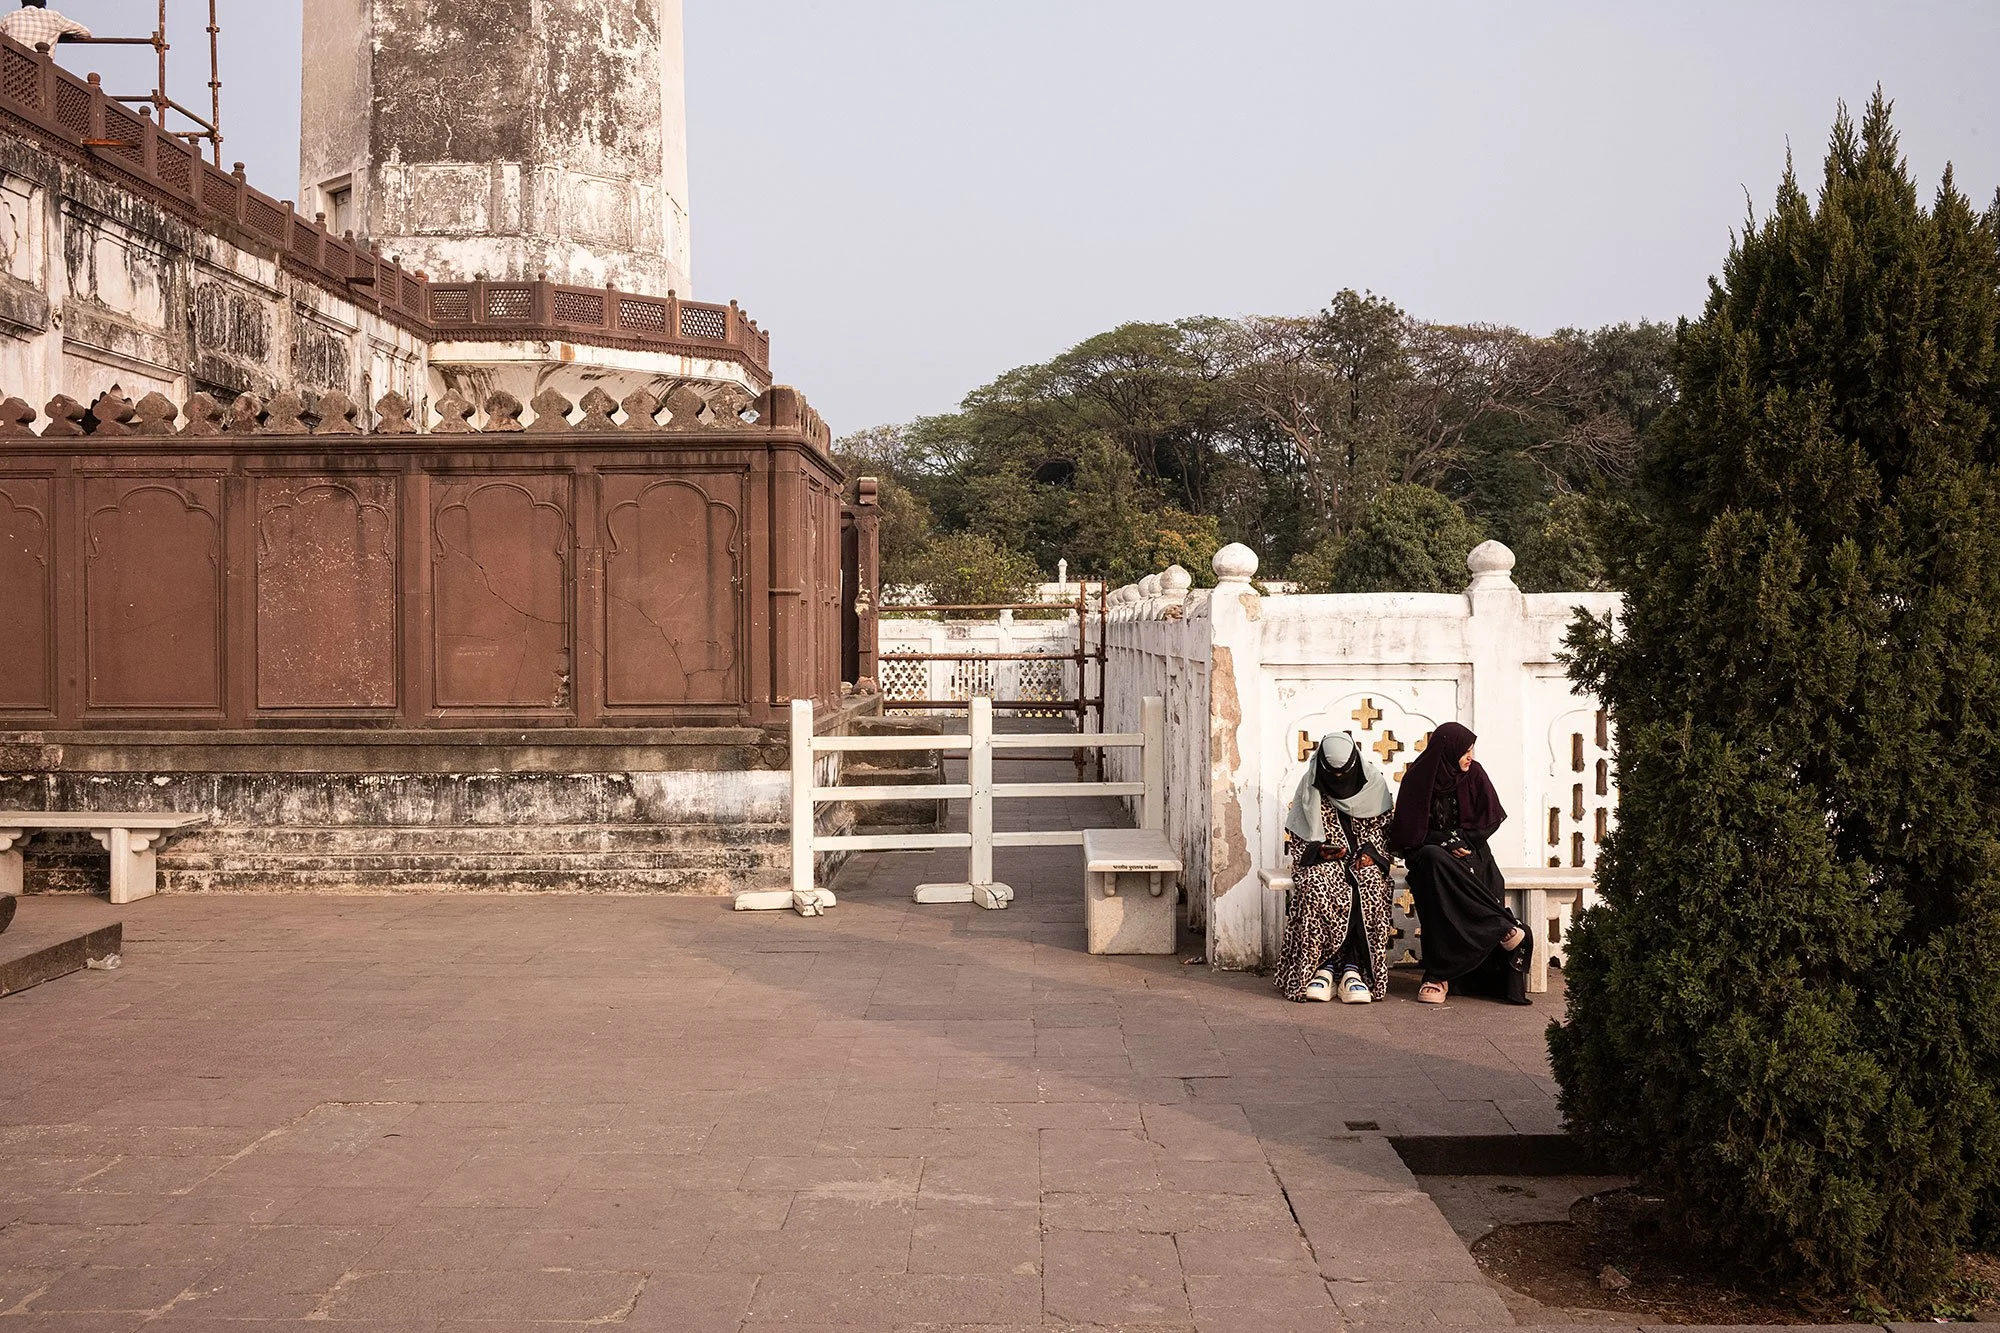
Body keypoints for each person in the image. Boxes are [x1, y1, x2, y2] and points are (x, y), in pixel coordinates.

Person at [1389, 721, 1532, 1005]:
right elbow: (1409, 834)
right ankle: (1502, 928)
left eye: (1471, 750)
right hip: (1426, 855)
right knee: (1433, 863)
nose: (1470, 757)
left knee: (1451, 882)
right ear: (1447, 751)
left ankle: (1438, 976)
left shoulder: (1474, 774)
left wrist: (1460, 840)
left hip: (1471, 852)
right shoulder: (1418, 779)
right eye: (1465, 751)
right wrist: (1444, 842)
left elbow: (1489, 819)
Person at [1276, 733, 1397, 1003]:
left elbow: (1387, 833)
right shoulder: (1311, 786)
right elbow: (1299, 837)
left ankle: (1354, 968)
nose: (1339, 779)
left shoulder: (1374, 785)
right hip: (1323, 861)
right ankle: (1323, 967)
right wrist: (1319, 850)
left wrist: (1371, 855)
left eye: (1345, 772)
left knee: (1367, 884)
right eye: (1333, 773)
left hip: (1365, 859)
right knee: (1316, 885)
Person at [0, 1, 92, 48]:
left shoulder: (8, 17)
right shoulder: (53, 17)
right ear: (44, 3)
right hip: (38, 71)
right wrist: (58, 34)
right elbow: (85, 33)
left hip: (10, 69)